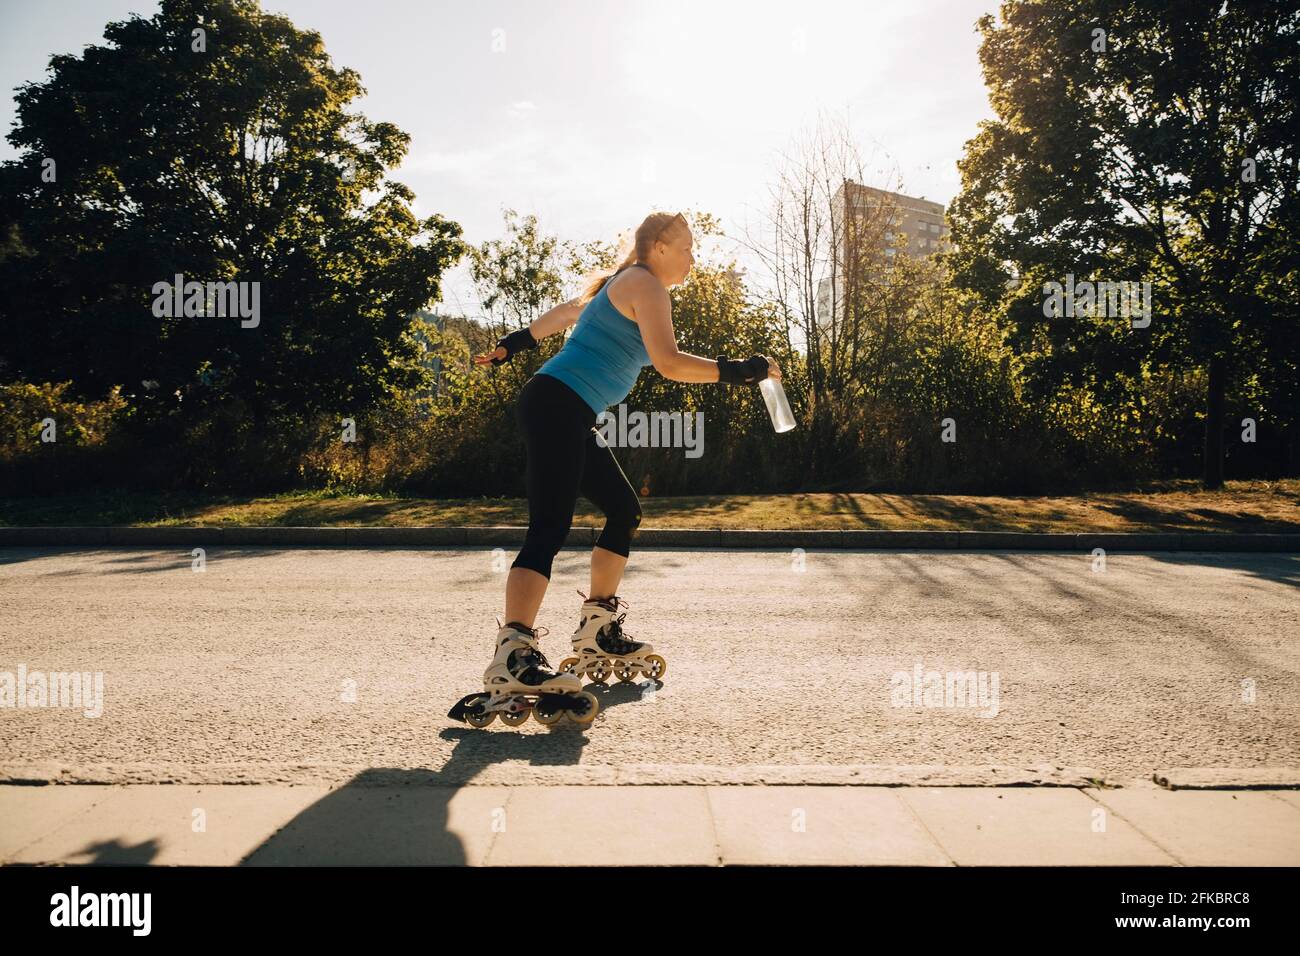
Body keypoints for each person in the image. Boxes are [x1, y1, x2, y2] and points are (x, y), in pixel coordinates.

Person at [454, 211, 781, 727]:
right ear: (658, 247)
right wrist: (739, 370)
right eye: (688, 247)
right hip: (556, 403)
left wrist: (513, 344)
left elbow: (565, 313)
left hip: (567, 410)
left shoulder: (618, 285)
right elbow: (670, 362)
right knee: (549, 527)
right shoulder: (644, 283)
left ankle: (596, 628)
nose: (695, 258)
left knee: (624, 511)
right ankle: (514, 653)